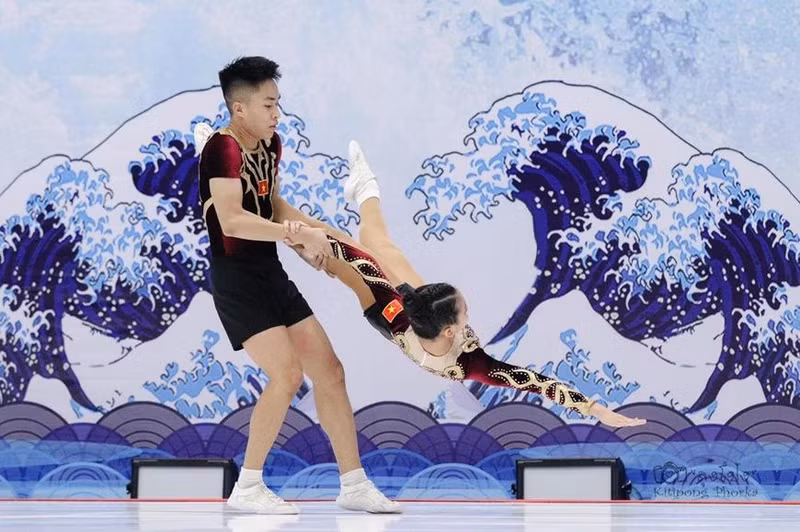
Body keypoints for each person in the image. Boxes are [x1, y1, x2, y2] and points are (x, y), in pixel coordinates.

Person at [282, 141, 647, 428]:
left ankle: (299, 219)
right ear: (451, 328)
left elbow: (536, 382)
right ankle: (355, 189)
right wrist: (307, 238)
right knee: (365, 244)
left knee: (357, 252)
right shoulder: (462, 348)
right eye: (465, 309)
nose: (470, 315)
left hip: (387, 314)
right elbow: (536, 382)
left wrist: (596, 409)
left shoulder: (467, 359)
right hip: (405, 302)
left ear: (448, 331)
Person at [196, 57, 399, 515]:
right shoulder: (221, 149)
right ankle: (247, 488)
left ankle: (353, 484)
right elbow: (231, 219)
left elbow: (271, 206)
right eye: (268, 104)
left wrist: (317, 233)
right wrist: (296, 236)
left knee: (330, 371)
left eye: (278, 104)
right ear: (239, 109)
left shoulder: (270, 145)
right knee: (286, 375)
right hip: (236, 281)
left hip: (270, 274)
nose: (276, 114)